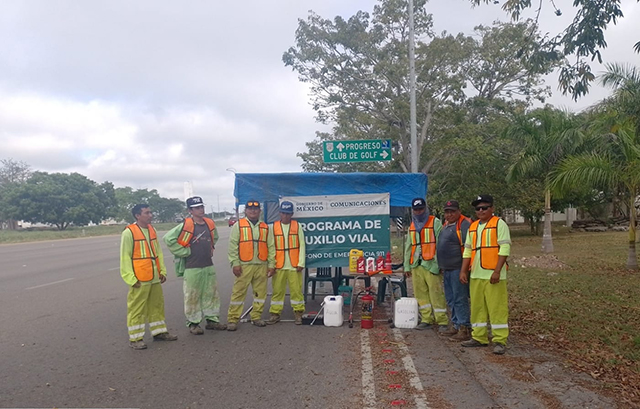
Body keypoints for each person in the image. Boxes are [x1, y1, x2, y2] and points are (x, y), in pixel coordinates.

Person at [164, 196, 226, 335]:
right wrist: (184, 251)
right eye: (197, 208)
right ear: (190, 210)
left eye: (201, 207)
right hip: (192, 267)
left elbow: (214, 237)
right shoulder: (185, 226)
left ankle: (212, 320)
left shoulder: (209, 223)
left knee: (211, 294)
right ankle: (193, 323)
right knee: (192, 295)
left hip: (208, 265)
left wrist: (209, 247)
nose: (200, 210)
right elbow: (168, 239)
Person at [120, 204, 178, 350]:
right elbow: (125, 257)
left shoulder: (152, 230)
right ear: (137, 216)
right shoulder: (129, 233)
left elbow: (158, 252)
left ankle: (159, 332)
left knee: (157, 306)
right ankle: (135, 338)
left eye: (151, 212)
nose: (150, 215)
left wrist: (162, 271)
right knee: (137, 309)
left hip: (154, 276)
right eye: (147, 213)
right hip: (139, 278)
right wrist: (131, 279)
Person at [459, 195, 512, 355]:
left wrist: (497, 271)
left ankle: (499, 340)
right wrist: (463, 270)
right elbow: (468, 250)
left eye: (484, 207)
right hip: (476, 274)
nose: (481, 211)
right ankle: (479, 337)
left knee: (497, 308)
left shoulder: (499, 224)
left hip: (493, 276)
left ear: (492, 209)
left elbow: (504, 249)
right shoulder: (473, 226)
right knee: (477, 308)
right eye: (478, 208)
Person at [226, 199, 275, 331]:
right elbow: (232, 246)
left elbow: (271, 246)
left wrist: (271, 265)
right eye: (250, 209)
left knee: (260, 293)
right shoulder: (239, 225)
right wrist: (235, 263)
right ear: (245, 211)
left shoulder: (265, 227)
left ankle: (256, 316)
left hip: (261, 265)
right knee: (238, 293)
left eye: (256, 209)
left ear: (260, 211)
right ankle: (233, 319)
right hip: (244, 265)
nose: (253, 211)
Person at [404, 198, 448, 330]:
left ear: (425, 208)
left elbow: (441, 245)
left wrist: (439, 265)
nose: (418, 212)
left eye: (421, 209)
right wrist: (407, 265)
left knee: (436, 293)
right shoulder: (412, 224)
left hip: (431, 264)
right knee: (420, 294)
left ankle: (442, 321)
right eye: (416, 209)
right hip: (416, 265)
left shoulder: (435, 222)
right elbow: (408, 246)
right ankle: (426, 319)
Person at [436, 200, 472, 341]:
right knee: (450, 298)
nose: (449, 214)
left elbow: (468, 248)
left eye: (452, 211)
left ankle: (464, 327)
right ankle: (456, 324)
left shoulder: (464, 225)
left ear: (459, 211)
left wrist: (464, 270)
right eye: (447, 212)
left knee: (459, 298)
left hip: (458, 268)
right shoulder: (446, 225)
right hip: (447, 268)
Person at [267, 201, 306, 325]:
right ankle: (275, 313)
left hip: (294, 265)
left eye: (288, 214)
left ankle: (298, 313)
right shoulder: (273, 227)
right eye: (283, 213)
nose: (286, 216)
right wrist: (271, 265)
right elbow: (271, 247)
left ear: (292, 214)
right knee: (277, 290)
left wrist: (301, 262)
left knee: (296, 291)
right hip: (279, 265)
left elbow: (302, 245)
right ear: (279, 213)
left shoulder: (297, 226)